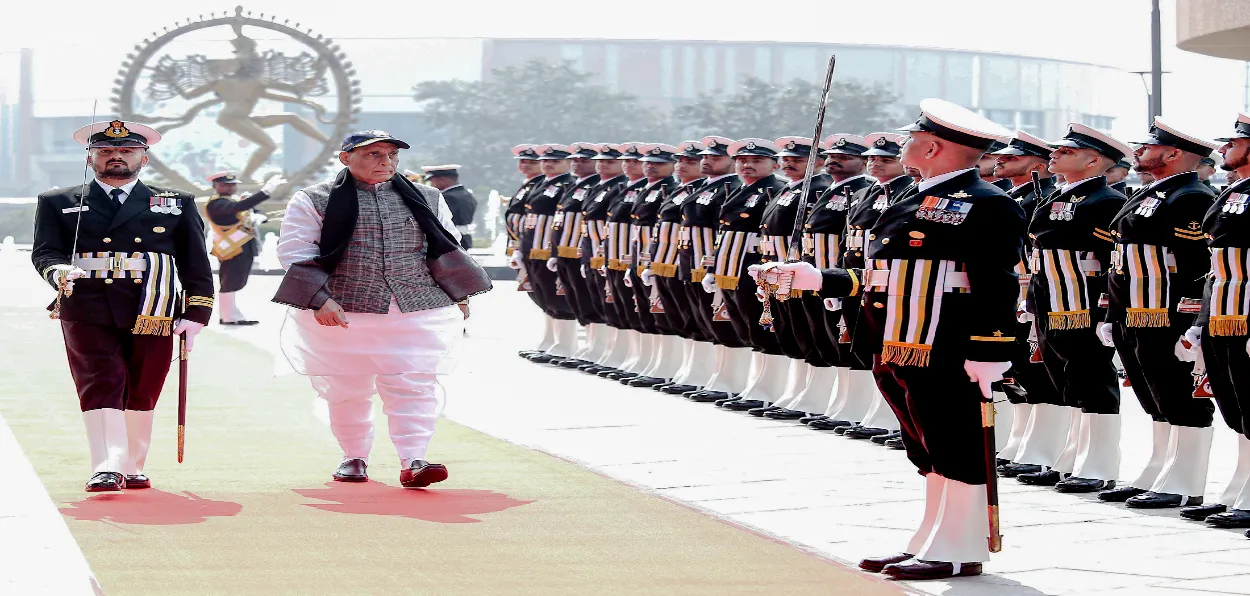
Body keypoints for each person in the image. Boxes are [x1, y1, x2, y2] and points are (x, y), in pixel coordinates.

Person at [770, 98, 1022, 580]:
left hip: (946, 343)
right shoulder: (908, 195)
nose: (903, 144)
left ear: (931, 147)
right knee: (925, 446)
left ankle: (959, 546)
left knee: (956, 442)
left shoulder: (988, 203)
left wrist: (991, 348)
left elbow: (997, 281)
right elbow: (881, 276)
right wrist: (815, 278)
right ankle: (930, 538)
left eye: (911, 138)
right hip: (894, 340)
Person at [275, 130, 483, 489]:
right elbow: (295, 252)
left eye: (390, 154)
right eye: (372, 154)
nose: (385, 161)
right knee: (346, 388)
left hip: (416, 305)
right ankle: (353, 456)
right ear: (345, 158)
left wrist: (460, 294)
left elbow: (446, 245)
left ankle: (414, 459)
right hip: (343, 310)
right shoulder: (314, 199)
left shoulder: (428, 197)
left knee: (414, 383)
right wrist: (319, 298)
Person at [31, 119, 214, 492]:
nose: (116, 157)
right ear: (90, 158)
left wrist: (197, 313)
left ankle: (132, 464)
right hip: (87, 304)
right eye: (105, 151)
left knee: (144, 384)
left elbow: (195, 260)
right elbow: (46, 251)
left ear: (143, 159)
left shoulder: (176, 203)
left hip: (153, 305)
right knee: (100, 381)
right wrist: (57, 271)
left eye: (127, 151)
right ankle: (106, 465)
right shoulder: (59, 202)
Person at [1095, 117, 1220, 509]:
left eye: (1148, 148)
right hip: (1134, 309)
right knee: (1154, 396)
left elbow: (1197, 265)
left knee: (1180, 393)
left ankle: (1185, 480)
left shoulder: (1191, 196)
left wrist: (1192, 320)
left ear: (1173, 153)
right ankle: (1159, 469)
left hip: (1166, 312)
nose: (1139, 153)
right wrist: (1112, 314)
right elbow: (1122, 260)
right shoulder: (1152, 192)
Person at [1014, 124, 1132, 493]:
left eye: (1066, 152)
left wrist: (1106, 311)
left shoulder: (1105, 201)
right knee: (1064, 381)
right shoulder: (1055, 196)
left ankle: (1098, 464)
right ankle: (1069, 458)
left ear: (1093, 160)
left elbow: (1111, 259)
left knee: (1093, 381)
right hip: (1050, 299)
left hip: (1084, 304)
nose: (1055, 155)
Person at [1175, 112, 1250, 528]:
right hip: (1223, 313)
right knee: (1236, 408)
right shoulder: (1231, 192)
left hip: (1247, 313)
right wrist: (1199, 325)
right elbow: (1216, 269)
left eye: (1234, 143)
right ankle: (1241, 487)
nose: (1224, 149)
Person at [986, 131, 1065, 479]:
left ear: (1036, 165)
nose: (1000, 161)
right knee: (1015, 371)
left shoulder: (1042, 199)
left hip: (1032, 294)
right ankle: (1020, 442)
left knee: (1039, 373)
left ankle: (1042, 449)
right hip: (1008, 293)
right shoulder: (1009, 195)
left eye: (1012, 158)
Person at [703, 139, 788, 412]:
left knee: (762, 327)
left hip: (754, 265)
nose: (746, 165)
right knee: (744, 327)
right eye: (741, 160)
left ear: (774, 165)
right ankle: (752, 384)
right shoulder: (740, 189)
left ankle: (768, 390)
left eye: (755, 161)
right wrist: (713, 269)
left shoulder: (775, 189)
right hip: (731, 267)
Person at [205, 171, 285, 325]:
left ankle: (230, 315)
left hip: (241, 249)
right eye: (224, 185)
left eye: (232, 184)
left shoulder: (231, 201)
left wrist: (258, 215)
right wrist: (265, 191)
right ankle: (228, 317)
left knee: (235, 282)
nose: (229, 187)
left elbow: (245, 210)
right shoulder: (216, 203)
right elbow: (239, 207)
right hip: (231, 250)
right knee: (230, 283)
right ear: (215, 186)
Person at [423, 164, 477, 250]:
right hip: (464, 238)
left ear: (443, 179)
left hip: (449, 240)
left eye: (432, 180)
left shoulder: (447, 197)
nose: (432, 184)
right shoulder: (466, 194)